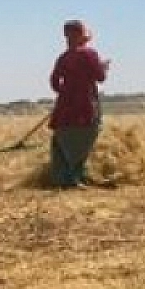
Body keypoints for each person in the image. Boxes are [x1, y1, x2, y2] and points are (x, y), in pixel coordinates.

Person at [48, 19, 109, 189]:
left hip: (64, 109)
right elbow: (100, 77)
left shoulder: (63, 57)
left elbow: (54, 81)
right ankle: (75, 177)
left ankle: (62, 178)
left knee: (63, 140)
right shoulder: (89, 54)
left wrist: (65, 93)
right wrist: (103, 68)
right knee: (86, 137)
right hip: (85, 106)